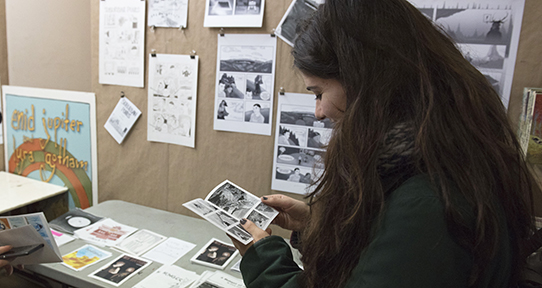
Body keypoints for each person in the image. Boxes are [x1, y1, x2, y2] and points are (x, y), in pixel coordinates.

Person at [228, 1, 538, 288]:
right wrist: (316, 225)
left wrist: (266, 260)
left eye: (318, 92)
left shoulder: (430, 206)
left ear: (364, 81)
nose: (319, 111)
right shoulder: (444, 157)